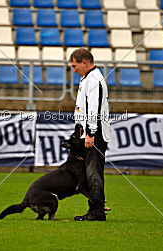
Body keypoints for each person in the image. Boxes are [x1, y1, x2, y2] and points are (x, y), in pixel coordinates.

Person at [69, 48, 110, 221]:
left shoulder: (93, 79)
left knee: (93, 172)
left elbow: (93, 109)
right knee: (90, 171)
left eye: (74, 65)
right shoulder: (88, 78)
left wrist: (90, 132)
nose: (74, 69)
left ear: (84, 63)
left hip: (95, 132)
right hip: (90, 131)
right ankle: (97, 206)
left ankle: (97, 211)